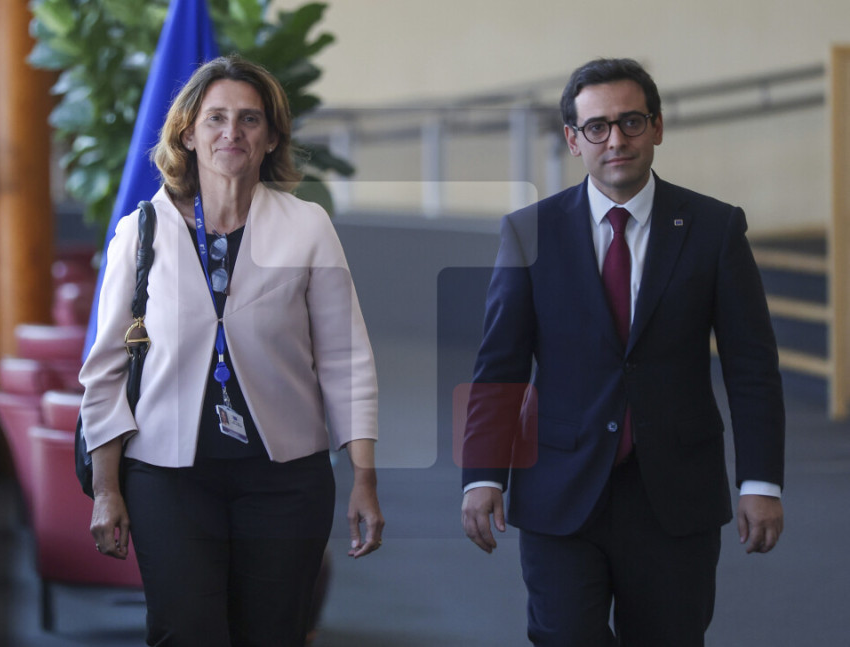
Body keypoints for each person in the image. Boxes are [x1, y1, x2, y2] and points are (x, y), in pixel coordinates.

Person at [460, 57, 785, 647]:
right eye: (597, 126)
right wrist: (482, 474)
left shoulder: (714, 229)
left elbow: (752, 367)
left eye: (631, 122)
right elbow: (499, 366)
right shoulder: (529, 232)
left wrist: (760, 482)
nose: (616, 140)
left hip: (674, 494)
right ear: (572, 139)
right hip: (560, 487)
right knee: (563, 636)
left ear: (657, 126)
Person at [79, 55, 384, 647]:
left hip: (285, 479)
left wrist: (365, 479)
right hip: (167, 478)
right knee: (184, 631)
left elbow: (346, 360)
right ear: (187, 134)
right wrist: (107, 489)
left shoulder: (308, 226)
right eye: (215, 118)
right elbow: (106, 369)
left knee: (273, 633)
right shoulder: (141, 231)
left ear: (271, 137)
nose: (232, 132)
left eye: (250, 119)